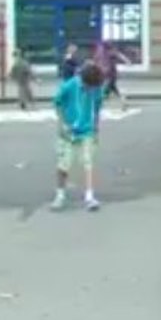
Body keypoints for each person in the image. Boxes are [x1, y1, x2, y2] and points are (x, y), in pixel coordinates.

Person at [51, 61, 106, 212]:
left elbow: (97, 106)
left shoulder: (96, 87)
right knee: (64, 164)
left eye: (93, 88)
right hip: (68, 131)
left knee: (88, 163)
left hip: (86, 130)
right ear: (82, 79)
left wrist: (96, 127)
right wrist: (62, 124)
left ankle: (89, 196)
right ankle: (60, 195)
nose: (90, 90)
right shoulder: (69, 86)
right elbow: (58, 103)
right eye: (88, 87)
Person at [98, 40, 132, 111]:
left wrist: (127, 61)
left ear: (104, 47)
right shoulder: (103, 54)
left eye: (101, 47)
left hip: (110, 76)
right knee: (115, 91)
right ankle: (124, 103)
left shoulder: (110, 53)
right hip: (108, 76)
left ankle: (98, 106)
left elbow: (120, 56)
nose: (100, 48)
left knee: (104, 91)